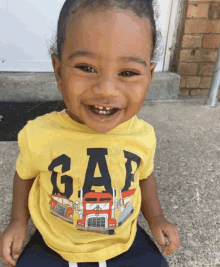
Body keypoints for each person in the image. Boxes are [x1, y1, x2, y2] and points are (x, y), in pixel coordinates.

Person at [0, 0, 180, 266]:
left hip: (122, 239)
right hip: (54, 241)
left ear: (150, 76)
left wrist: (156, 218)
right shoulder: (40, 134)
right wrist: (18, 222)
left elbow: (144, 176)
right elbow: (25, 175)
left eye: (128, 72)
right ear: (59, 72)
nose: (106, 89)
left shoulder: (142, 135)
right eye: (86, 68)